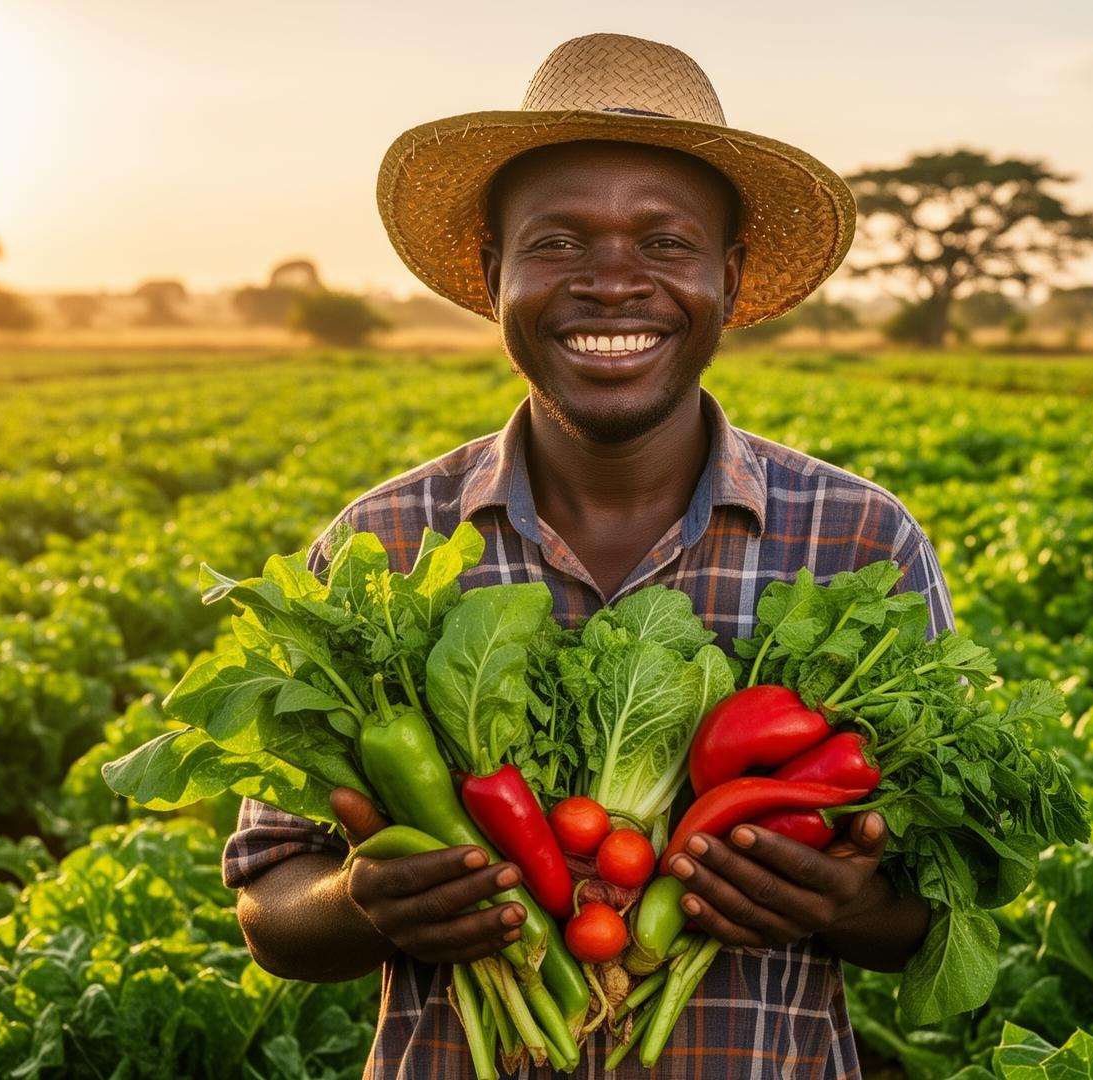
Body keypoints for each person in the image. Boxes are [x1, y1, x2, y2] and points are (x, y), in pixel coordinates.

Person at [224, 32, 953, 1078]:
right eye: (560, 242)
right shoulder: (379, 543)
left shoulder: (863, 541)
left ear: (730, 278)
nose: (614, 284)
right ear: (493, 273)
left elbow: (932, 922)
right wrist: (362, 902)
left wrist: (852, 905)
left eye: (665, 243)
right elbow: (270, 909)